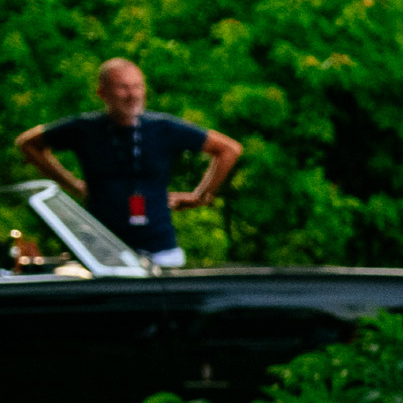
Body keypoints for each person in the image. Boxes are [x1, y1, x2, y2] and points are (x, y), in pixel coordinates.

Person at [16, 58, 240, 268]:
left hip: (160, 249)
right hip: (100, 254)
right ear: (102, 92)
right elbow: (28, 143)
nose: (132, 95)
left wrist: (200, 196)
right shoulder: (85, 128)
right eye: (123, 87)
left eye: (138, 86)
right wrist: (71, 184)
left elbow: (228, 149)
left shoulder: (164, 128)